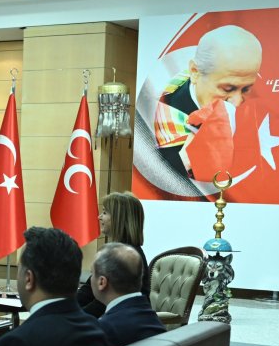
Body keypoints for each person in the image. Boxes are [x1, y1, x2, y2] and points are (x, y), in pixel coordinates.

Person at [154, 25, 263, 180]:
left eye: (246, 89)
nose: (237, 102)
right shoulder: (164, 112)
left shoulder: (251, 109)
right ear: (195, 72)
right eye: (227, 88)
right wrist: (186, 157)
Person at [76, 191, 150, 317]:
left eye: (104, 213)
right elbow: (87, 292)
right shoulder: (115, 253)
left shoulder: (126, 258)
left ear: (119, 218)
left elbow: (103, 304)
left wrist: (74, 318)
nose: (99, 217)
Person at [90, 242, 166, 346]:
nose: (91, 279)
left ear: (102, 282)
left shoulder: (104, 330)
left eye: (92, 273)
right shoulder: (153, 320)